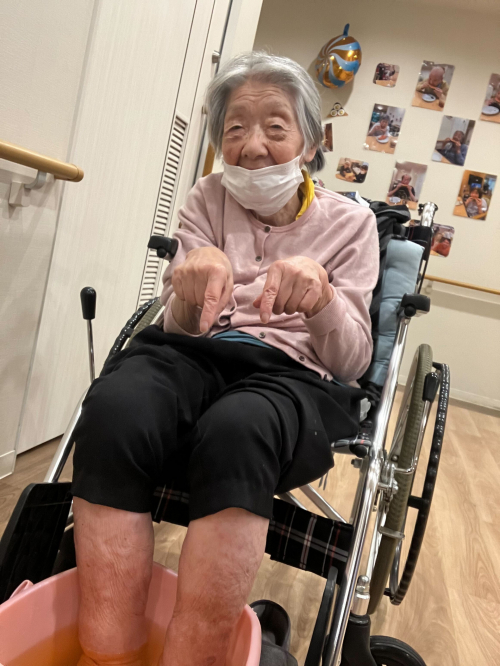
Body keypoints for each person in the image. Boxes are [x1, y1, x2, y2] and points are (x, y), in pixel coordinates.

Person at [71, 51, 379, 666]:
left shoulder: (352, 225)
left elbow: (351, 361)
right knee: (116, 406)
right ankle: (107, 651)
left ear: (310, 143)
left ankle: (195, 655)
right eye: (235, 128)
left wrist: (321, 299)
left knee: (239, 429)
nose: (253, 146)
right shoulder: (206, 197)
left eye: (275, 126)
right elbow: (178, 324)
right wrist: (190, 289)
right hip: (195, 352)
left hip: (290, 374)